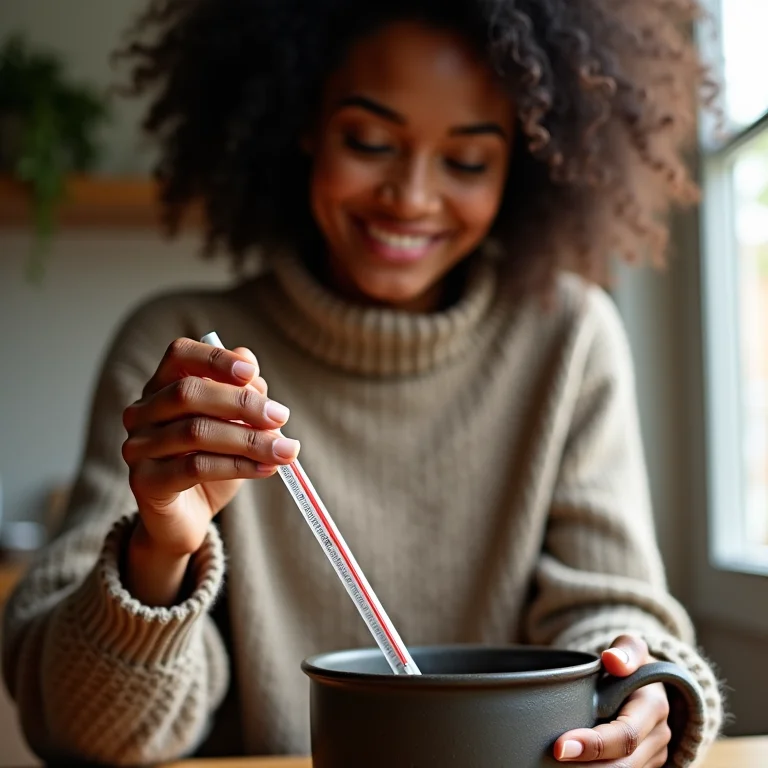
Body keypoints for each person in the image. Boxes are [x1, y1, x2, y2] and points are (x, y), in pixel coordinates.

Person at [2, 0, 723, 765]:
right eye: (371, 141)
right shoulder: (178, 359)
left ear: (528, 162)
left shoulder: (572, 338)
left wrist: (642, 685)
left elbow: (607, 607)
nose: (410, 197)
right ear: (307, 121)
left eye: (467, 161)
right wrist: (159, 551)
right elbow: (79, 730)